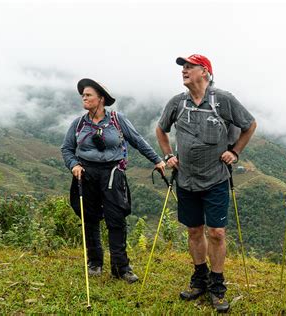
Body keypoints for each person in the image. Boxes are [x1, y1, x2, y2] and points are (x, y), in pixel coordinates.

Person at [156, 54, 256, 312]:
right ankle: (199, 278)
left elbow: (249, 124)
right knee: (193, 230)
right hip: (186, 178)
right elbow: (161, 129)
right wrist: (168, 155)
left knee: (217, 232)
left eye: (190, 67)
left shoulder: (223, 100)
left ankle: (217, 284)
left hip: (216, 178)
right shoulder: (177, 103)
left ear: (205, 72)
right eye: (183, 67)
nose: (184, 71)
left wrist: (235, 152)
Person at [61, 78, 165, 283]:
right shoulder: (79, 123)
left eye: (88, 94)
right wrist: (74, 165)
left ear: (101, 99)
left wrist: (157, 160)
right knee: (89, 218)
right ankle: (95, 263)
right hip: (86, 174)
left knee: (116, 219)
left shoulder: (117, 120)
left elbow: (137, 141)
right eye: (83, 94)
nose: (84, 97)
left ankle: (120, 267)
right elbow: (66, 148)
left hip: (113, 173)